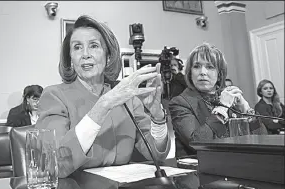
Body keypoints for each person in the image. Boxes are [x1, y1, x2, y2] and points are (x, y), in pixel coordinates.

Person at [36, 15, 170, 178]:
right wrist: (103, 105)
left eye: (93, 46)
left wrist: (157, 117)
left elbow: (156, 154)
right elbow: (53, 164)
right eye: (77, 47)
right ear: (70, 59)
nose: (85, 54)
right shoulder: (54, 96)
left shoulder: (128, 99)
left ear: (108, 57)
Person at [169, 43, 267, 158]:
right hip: (200, 170)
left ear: (219, 74)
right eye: (196, 66)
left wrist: (247, 110)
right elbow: (197, 143)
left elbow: (263, 140)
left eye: (210, 67)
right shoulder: (180, 103)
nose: (203, 72)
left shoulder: (230, 97)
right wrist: (221, 109)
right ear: (190, 73)